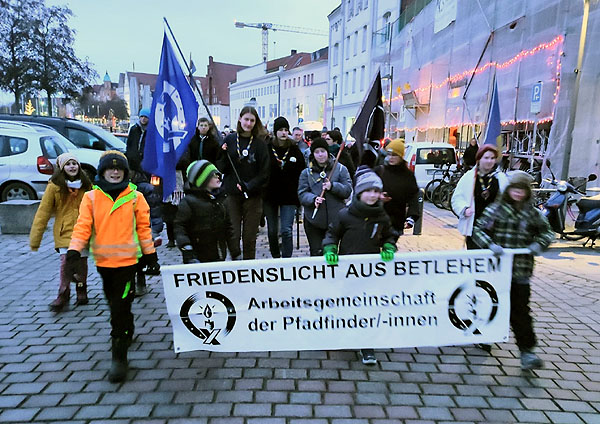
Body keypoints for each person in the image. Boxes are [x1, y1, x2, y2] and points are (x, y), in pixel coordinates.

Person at [66, 150, 159, 383]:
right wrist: (74, 251)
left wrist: (150, 256)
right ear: (103, 172)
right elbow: (83, 226)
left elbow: (144, 230)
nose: (115, 172)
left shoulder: (136, 198)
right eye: (110, 169)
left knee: (119, 307)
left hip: (129, 263)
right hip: (104, 264)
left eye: (119, 169)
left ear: (126, 173)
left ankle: (119, 356)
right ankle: (126, 328)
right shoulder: (91, 198)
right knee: (115, 303)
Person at [471, 171, 554, 370]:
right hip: (496, 271)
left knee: (520, 311)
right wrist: (490, 245)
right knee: (491, 304)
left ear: (527, 193)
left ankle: (527, 351)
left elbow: (547, 232)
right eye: (515, 189)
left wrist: (539, 244)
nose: (518, 193)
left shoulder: (532, 213)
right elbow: (478, 229)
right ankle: (485, 335)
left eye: (522, 190)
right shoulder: (497, 210)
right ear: (509, 190)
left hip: (521, 271)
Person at [322, 170, 398, 365]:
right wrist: (330, 249)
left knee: (367, 307)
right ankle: (341, 332)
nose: (373, 195)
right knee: (345, 304)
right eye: (368, 191)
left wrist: (389, 245)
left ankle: (367, 346)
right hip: (347, 271)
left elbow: (389, 234)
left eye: (376, 191)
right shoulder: (344, 215)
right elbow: (332, 234)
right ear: (359, 193)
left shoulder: (381, 216)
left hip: (371, 273)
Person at [29, 153, 92, 312]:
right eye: (68, 164)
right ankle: (63, 293)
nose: (72, 166)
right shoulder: (54, 186)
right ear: (62, 168)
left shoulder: (86, 185)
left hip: (83, 231)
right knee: (66, 263)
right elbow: (43, 213)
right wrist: (35, 239)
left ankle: (81, 288)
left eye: (74, 163)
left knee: (81, 265)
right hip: (64, 232)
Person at [216, 106, 270, 260]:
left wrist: (250, 185)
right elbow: (221, 168)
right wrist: (222, 153)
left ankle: (248, 266)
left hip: (253, 196)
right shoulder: (230, 139)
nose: (248, 123)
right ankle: (235, 262)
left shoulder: (260, 144)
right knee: (233, 234)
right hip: (232, 194)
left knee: (249, 237)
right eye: (246, 119)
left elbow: (265, 172)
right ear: (240, 119)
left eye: (252, 120)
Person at [174, 160, 240, 263]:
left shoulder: (221, 200)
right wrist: (187, 249)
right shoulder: (188, 202)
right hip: (197, 258)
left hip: (219, 255)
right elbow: (180, 227)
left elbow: (228, 229)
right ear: (203, 179)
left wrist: (236, 253)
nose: (218, 177)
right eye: (213, 175)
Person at [298, 137, 352, 256]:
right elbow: (302, 193)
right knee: (317, 252)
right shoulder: (306, 173)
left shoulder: (341, 169)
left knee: (332, 253)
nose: (320, 155)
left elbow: (347, 190)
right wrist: (313, 199)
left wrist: (332, 186)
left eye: (323, 151)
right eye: (317, 152)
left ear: (328, 152)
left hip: (336, 221)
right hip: (314, 221)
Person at [451, 144, 509, 249]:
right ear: (479, 159)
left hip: (494, 226)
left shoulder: (500, 178)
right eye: (486, 158)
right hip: (474, 225)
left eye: (492, 158)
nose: (489, 161)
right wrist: (464, 209)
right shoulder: (469, 177)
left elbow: (508, 200)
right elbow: (457, 198)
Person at [264, 117, 306, 258]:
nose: (283, 133)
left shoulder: (294, 148)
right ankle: (276, 256)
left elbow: (302, 170)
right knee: (272, 230)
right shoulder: (268, 147)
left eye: (286, 130)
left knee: (286, 230)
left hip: (289, 194)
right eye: (280, 130)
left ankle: (287, 259)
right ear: (275, 132)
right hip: (270, 194)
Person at [375, 138, 420, 235]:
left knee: (389, 248)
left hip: (396, 221)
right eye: (389, 154)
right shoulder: (380, 171)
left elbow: (413, 196)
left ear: (401, 156)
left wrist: (411, 217)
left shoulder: (408, 175)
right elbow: (367, 190)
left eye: (394, 155)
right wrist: (378, 196)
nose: (391, 158)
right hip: (377, 218)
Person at [125, 108, 151, 183]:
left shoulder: (151, 131)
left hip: (145, 161)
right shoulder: (134, 129)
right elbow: (129, 143)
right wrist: (130, 155)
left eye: (145, 117)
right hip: (133, 162)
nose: (143, 119)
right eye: (142, 117)